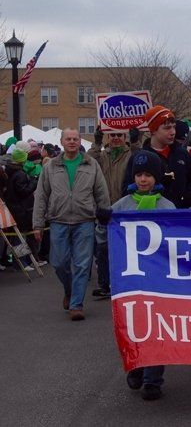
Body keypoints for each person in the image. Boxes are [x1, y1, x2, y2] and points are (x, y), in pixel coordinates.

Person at [101, 150, 175, 401]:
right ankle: (136, 365)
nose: (143, 180)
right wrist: (103, 221)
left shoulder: (167, 206)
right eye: (139, 175)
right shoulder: (122, 205)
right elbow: (105, 237)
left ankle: (153, 379)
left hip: (158, 278)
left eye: (148, 175)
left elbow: (177, 241)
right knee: (134, 325)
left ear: (156, 177)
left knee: (157, 328)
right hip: (130, 279)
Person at [32, 128, 110, 321]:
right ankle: (69, 290)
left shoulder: (91, 164)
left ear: (79, 141)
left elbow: (101, 191)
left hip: (84, 221)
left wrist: (104, 214)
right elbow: (41, 195)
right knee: (59, 263)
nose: (72, 142)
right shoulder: (51, 166)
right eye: (69, 139)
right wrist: (38, 224)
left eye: (75, 138)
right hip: (58, 221)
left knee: (83, 265)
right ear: (62, 141)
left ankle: (76, 304)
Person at [89, 127, 141, 297]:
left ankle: (126, 282)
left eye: (119, 135)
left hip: (125, 207)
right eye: (112, 135)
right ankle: (104, 284)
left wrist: (135, 141)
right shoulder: (103, 155)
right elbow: (89, 160)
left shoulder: (130, 153)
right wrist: (96, 142)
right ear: (108, 137)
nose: (116, 138)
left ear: (124, 136)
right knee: (102, 248)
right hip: (105, 207)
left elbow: (139, 158)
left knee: (126, 248)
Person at [124, 106, 191, 209]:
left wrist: (186, 199)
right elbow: (127, 190)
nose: (173, 132)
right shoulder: (139, 158)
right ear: (153, 130)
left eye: (174, 127)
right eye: (167, 128)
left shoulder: (182, 154)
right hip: (151, 218)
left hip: (179, 215)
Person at [5, 148, 42, 271]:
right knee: (20, 238)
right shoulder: (20, 174)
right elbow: (23, 192)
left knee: (18, 237)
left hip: (16, 208)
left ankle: (20, 262)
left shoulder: (11, 171)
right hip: (21, 209)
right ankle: (20, 263)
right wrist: (34, 182)